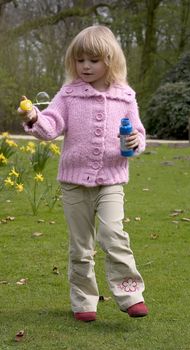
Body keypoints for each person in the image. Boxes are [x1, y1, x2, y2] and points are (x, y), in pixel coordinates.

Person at [18, 25, 148, 322]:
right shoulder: (69, 95)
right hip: (74, 184)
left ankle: (130, 294)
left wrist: (135, 142)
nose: (86, 66)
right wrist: (34, 117)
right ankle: (83, 301)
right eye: (80, 60)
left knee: (113, 234)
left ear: (110, 61)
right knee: (81, 246)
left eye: (93, 60)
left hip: (112, 180)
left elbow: (138, 133)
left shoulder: (125, 97)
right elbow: (50, 127)